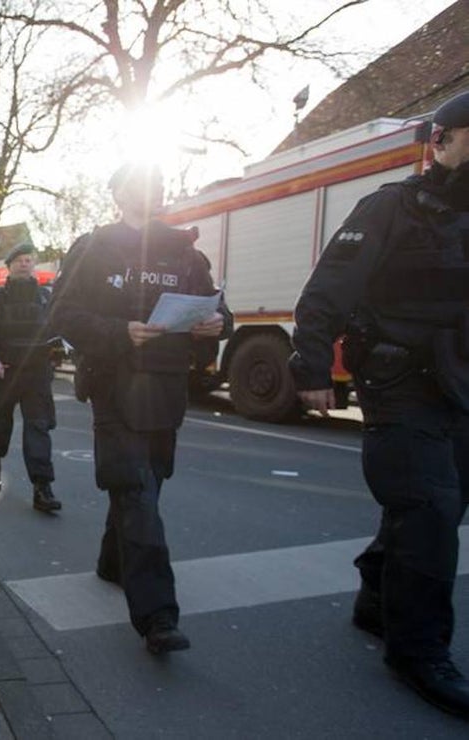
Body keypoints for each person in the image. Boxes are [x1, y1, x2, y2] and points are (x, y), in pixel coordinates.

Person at [289, 90, 469, 718]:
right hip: (399, 385)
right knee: (430, 507)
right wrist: (311, 366)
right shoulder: (391, 208)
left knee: (436, 507)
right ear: (439, 141)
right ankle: (418, 651)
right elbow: (326, 291)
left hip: (459, 389)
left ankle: (376, 598)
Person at [50, 163, 229, 655]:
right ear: (117, 192)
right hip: (113, 384)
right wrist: (118, 332)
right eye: (140, 182)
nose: (152, 189)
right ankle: (158, 616)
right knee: (135, 489)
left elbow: (218, 307)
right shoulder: (93, 247)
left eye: (158, 181)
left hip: (167, 387)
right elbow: (61, 314)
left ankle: (113, 562)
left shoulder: (186, 252)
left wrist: (216, 323)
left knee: (147, 483)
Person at [0, 242, 61, 512]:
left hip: (36, 373)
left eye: (29, 260)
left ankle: (42, 488)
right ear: (10, 265)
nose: (25, 263)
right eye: (20, 260)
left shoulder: (45, 297)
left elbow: (57, 330)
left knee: (38, 430)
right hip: (6, 372)